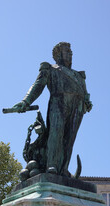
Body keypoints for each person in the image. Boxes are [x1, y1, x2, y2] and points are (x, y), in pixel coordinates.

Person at [13, 42, 92, 176]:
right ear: (58, 55)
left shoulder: (79, 76)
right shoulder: (50, 68)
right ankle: (52, 166)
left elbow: (85, 93)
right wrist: (26, 101)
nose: (70, 54)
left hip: (78, 107)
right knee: (56, 134)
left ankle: (63, 168)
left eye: (71, 52)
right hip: (58, 102)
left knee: (69, 138)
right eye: (67, 51)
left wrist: (87, 101)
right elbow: (38, 85)